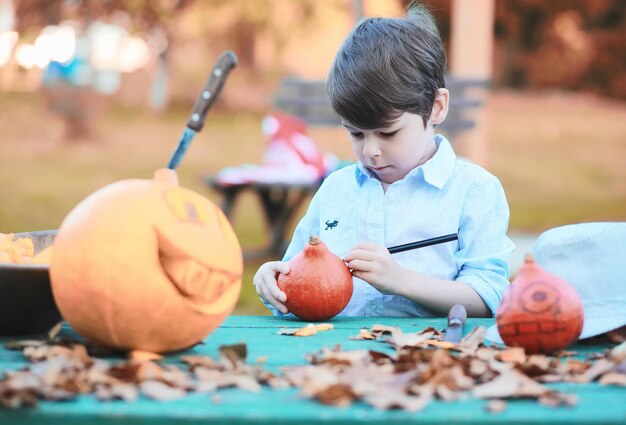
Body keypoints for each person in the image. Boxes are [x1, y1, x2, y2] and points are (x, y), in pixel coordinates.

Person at [253, 3, 514, 318]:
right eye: (357, 134)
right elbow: (298, 275)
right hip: (338, 356)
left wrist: (401, 280)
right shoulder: (335, 190)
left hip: (432, 356)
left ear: (436, 107)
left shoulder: (473, 191)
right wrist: (274, 279)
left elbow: (488, 298)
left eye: (388, 133)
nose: (371, 151)